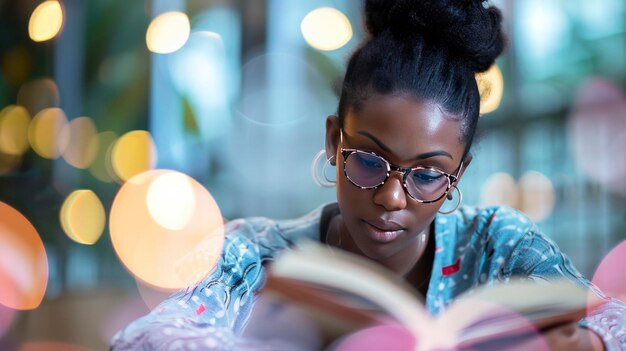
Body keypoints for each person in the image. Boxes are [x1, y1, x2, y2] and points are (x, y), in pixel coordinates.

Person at [111, 0, 626, 350]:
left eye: (428, 174)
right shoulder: (254, 252)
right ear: (335, 140)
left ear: (459, 173)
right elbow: (148, 336)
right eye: (369, 161)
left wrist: (590, 343)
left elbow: (614, 320)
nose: (391, 197)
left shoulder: (498, 242)